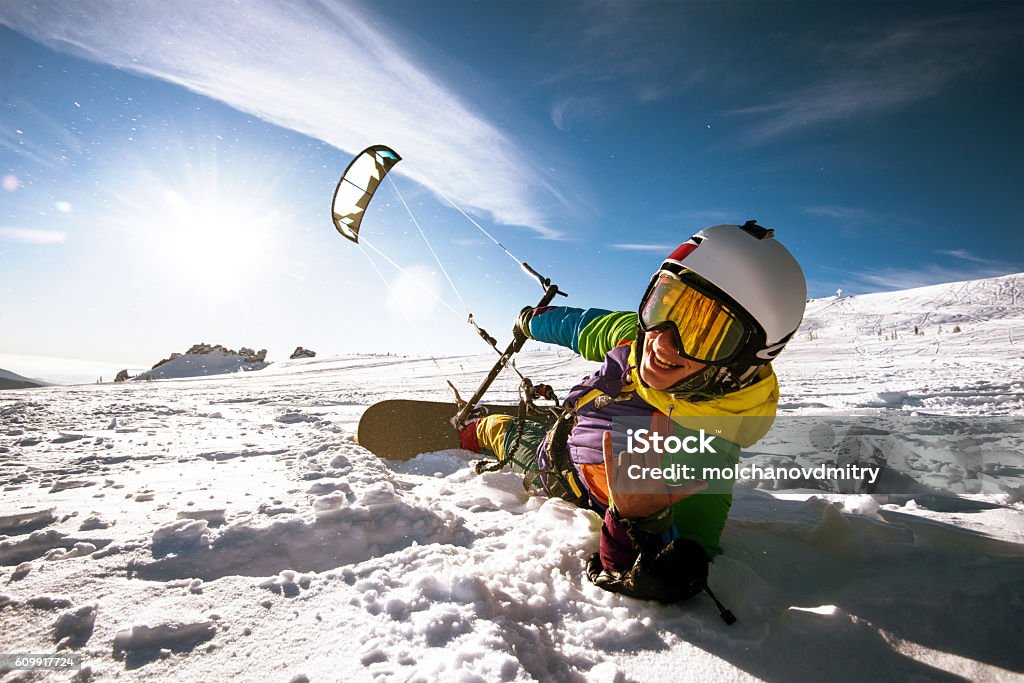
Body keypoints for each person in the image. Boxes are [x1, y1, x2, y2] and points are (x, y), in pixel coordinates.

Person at [458, 221, 806, 617]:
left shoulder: (702, 451)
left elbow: (668, 568)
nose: (663, 342)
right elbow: (581, 325)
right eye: (667, 305)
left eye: (705, 334)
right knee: (537, 423)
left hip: (555, 472)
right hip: (573, 423)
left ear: (742, 362)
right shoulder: (634, 338)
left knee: (507, 435)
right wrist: (534, 321)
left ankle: (475, 431)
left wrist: (641, 519)